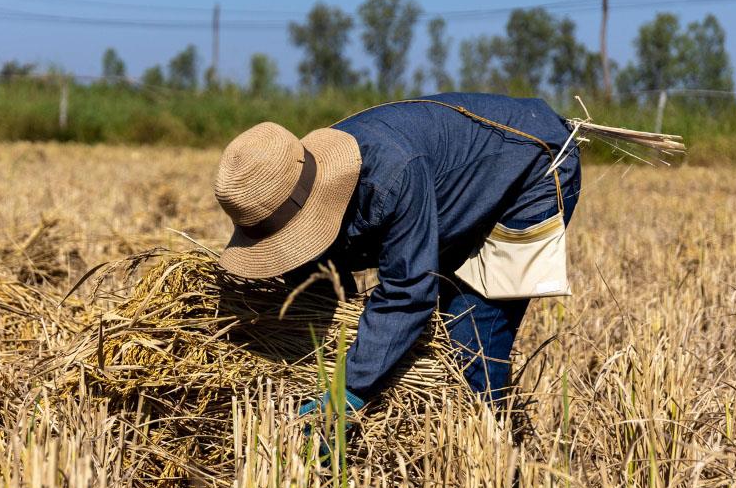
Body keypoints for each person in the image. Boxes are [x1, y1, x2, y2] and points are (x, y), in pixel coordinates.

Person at [213, 93, 582, 417]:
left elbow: (408, 291)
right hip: (448, 181)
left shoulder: (389, 175)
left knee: (469, 336)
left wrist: (348, 390)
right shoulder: (299, 177)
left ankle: (494, 461)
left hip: (534, 166)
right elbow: (319, 271)